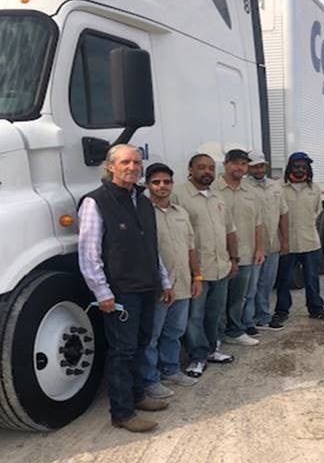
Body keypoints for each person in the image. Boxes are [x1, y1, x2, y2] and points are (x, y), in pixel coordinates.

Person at [78, 144, 173, 433]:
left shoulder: (142, 202)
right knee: (123, 351)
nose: (132, 167)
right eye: (125, 162)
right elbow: (88, 253)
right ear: (110, 166)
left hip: (146, 286)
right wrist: (102, 292)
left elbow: (151, 248)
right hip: (121, 292)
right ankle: (122, 412)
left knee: (142, 344)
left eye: (136, 162)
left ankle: (137, 395)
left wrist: (164, 280)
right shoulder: (96, 202)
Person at [173, 154, 237, 378]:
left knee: (214, 313)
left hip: (220, 267)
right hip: (196, 271)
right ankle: (197, 357)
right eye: (201, 167)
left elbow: (230, 230)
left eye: (211, 168)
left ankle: (211, 350)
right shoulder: (178, 195)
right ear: (190, 169)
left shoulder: (218, 196)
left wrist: (234, 260)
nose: (207, 172)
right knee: (194, 317)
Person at [141, 162, 202, 399]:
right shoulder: (143, 213)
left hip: (184, 283)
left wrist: (197, 276)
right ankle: (150, 380)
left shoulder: (181, 212)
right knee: (151, 336)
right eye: (156, 182)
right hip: (158, 287)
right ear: (147, 186)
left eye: (166, 181)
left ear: (172, 184)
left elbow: (190, 248)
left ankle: (171, 369)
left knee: (175, 331)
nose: (162, 186)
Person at [274, 152, 324, 322]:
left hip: (310, 242)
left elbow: (317, 211)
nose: (300, 170)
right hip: (287, 244)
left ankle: (316, 309)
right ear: (290, 167)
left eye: (304, 166)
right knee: (284, 280)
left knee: (312, 279)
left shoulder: (314, 189)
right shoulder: (278, 188)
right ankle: (281, 312)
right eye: (296, 166)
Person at [213, 149, 264, 345]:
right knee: (217, 300)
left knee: (237, 297)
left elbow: (258, 223)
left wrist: (259, 248)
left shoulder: (251, 192)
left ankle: (234, 332)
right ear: (225, 164)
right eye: (235, 163)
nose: (239, 167)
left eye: (243, 164)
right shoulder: (214, 189)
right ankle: (216, 337)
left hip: (245, 253)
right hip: (219, 256)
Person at [243, 150, 289, 331]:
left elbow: (284, 214)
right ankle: (248, 321)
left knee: (267, 284)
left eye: (261, 166)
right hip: (253, 247)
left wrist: (285, 241)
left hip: (273, 245)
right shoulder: (243, 187)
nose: (259, 169)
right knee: (250, 287)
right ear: (248, 167)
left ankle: (263, 317)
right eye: (254, 166)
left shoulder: (275, 186)